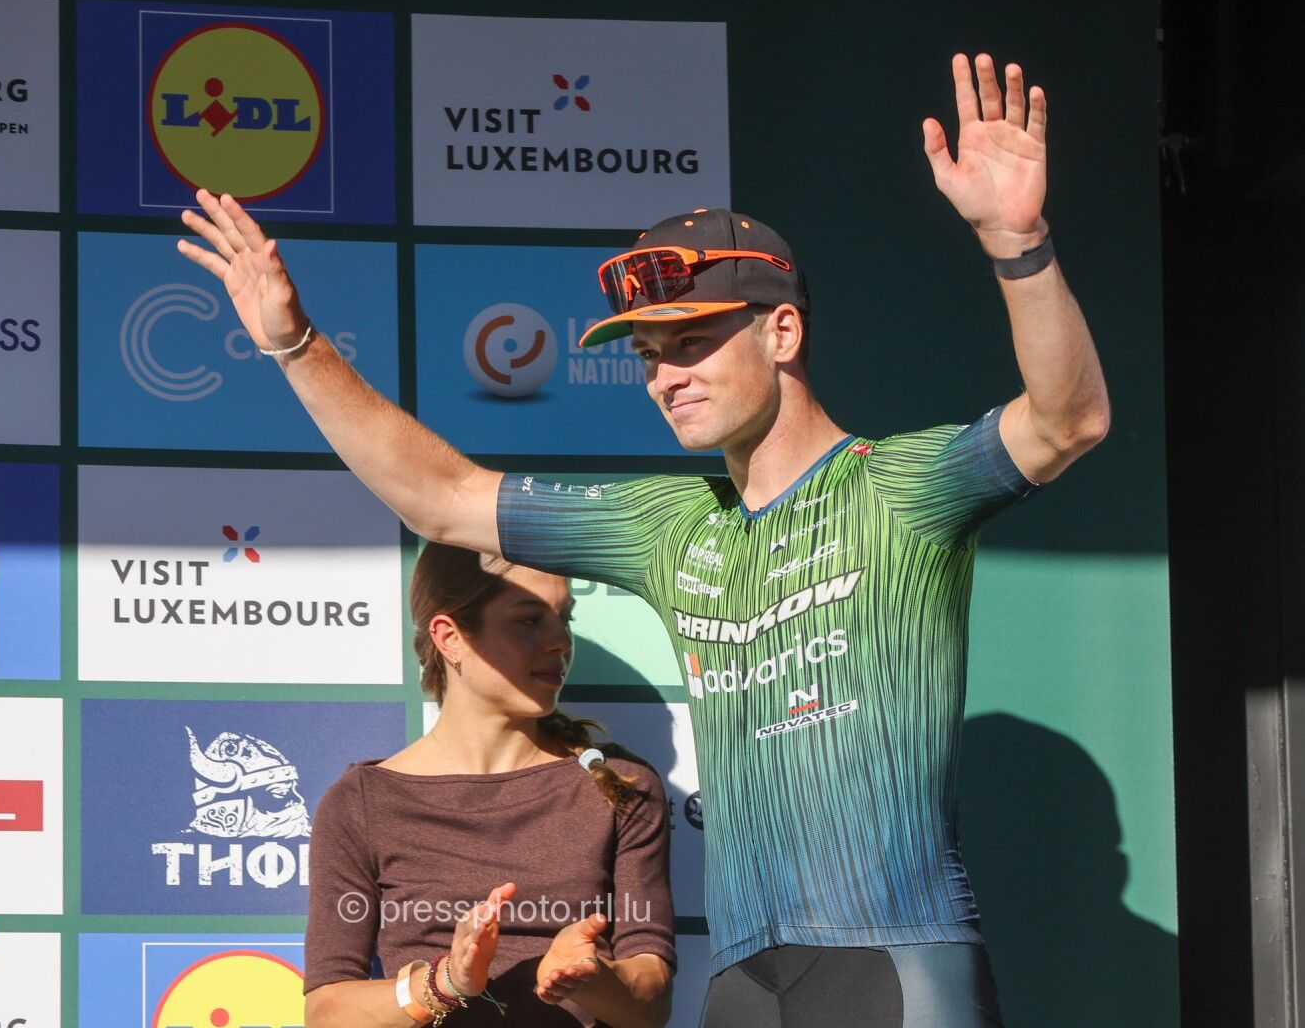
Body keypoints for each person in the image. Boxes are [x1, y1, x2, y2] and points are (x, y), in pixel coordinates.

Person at [179, 52, 1108, 1027]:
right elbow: (442, 500)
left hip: (896, 960)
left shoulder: (897, 487)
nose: (666, 376)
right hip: (743, 990)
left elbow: (1069, 420)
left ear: (783, 333)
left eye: (693, 341)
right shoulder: (671, 524)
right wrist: (294, 343)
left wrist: (1018, 242)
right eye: (651, 354)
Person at [302, 543, 676, 1027]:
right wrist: (444, 982)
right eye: (529, 620)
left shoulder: (621, 786)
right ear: (450, 638)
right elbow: (327, 1013)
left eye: (564, 618)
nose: (560, 642)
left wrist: (591, 978)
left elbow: (652, 1002)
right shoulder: (361, 803)